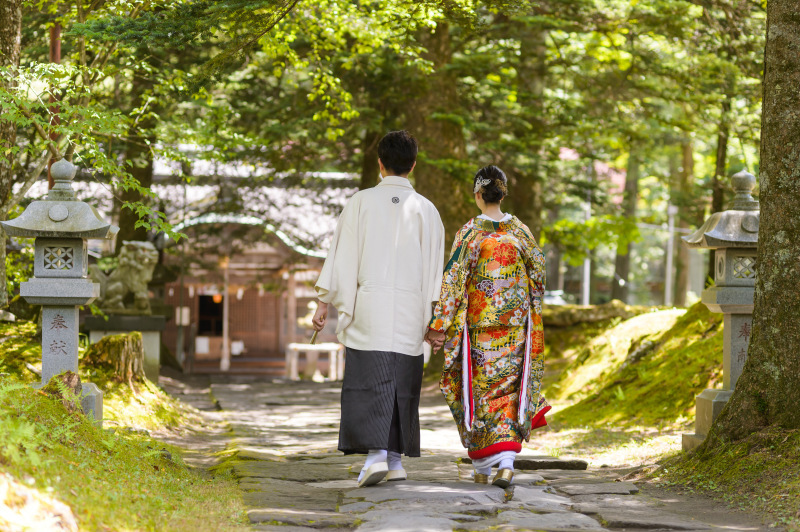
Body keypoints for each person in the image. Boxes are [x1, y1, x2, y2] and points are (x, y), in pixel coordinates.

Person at [312, 130, 445, 487]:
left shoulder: (360, 202)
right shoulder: (427, 210)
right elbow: (436, 271)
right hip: (411, 306)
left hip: (369, 303)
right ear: (413, 164)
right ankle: (395, 459)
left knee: (369, 379)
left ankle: (375, 457)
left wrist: (324, 302)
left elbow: (342, 257)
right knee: (403, 380)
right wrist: (437, 321)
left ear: (380, 164)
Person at [425, 165, 550, 488]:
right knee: (509, 393)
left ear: (478, 195)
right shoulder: (521, 231)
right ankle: (500, 463)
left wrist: (439, 326)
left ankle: (487, 462)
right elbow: (538, 275)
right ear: (503, 193)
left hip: (480, 329)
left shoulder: (470, 233)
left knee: (479, 393)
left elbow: (453, 282)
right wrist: (526, 308)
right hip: (515, 328)